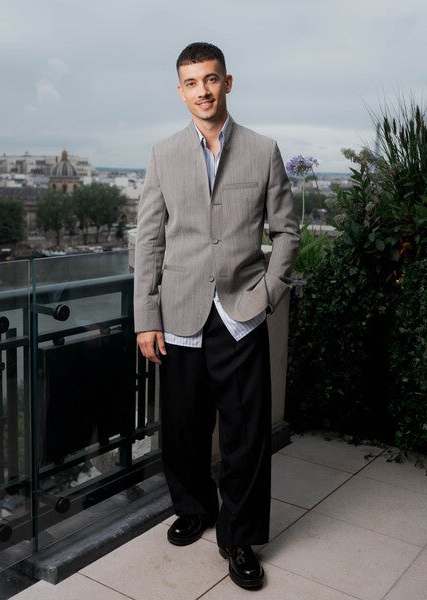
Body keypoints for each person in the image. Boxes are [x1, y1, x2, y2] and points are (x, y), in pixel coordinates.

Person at [134, 42, 299, 590]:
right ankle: (194, 507)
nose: (202, 91)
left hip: (240, 312)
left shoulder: (263, 150)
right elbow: (149, 241)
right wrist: (145, 316)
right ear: (180, 91)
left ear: (227, 82)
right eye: (191, 82)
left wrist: (267, 293)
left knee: (246, 435)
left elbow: (286, 232)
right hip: (179, 312)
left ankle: (240, 537)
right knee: (183, 429)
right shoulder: (162, 155)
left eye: (210, 79)